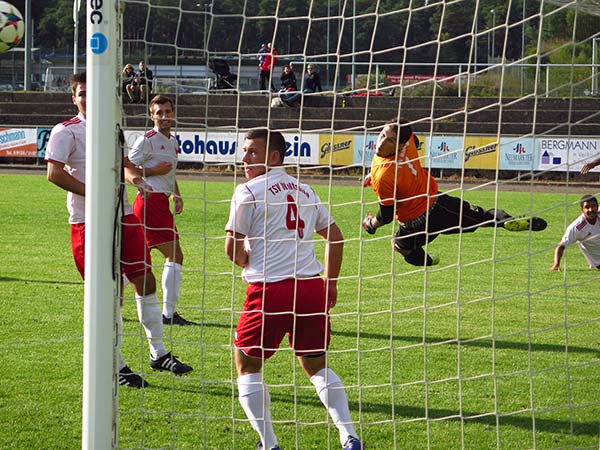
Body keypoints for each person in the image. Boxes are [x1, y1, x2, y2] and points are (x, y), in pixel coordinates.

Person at [46, 72, 193, 389]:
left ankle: (159, 353)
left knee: (146, 279)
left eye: (92, 92)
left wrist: (137, 179)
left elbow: (126, 163)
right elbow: (53, 173)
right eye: (82, 93)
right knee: (110, 296)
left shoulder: (114, 129)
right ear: (74, 98)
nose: (88, 97)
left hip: (125, 216)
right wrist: (96, 192)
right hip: (89, 222)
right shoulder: (66, 131)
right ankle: (117, 365)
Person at [225, 129, 362, 450]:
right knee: (316, 364)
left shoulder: (248, 190)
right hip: (311, 289)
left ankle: (269, 444)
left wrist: (246, 259)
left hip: (270, 290)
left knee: (247, 365)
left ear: (273, 157)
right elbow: (336, 236)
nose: (244, 158)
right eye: (244, 151)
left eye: (252, 152)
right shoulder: (305, 189)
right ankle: (349, 436)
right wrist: (330, 282)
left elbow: (232, 248)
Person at [362, 118, 548, 267]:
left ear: (400, 146)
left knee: (400, 246)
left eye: (390, 140)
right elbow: (411, 143)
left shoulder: (384, 176)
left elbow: (385, 216)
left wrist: (371, 224)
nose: (382, 142)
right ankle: (506, 222)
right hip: (439, 203)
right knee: (482, 217)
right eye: (383, 134)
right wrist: (375, 172)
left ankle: (429, 261)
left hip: (415, 222)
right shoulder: (408, 141)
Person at [127, 94, 194, 326]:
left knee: (136, 260)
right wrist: (152, 172)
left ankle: (106, 299)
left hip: (160, 201)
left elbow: (169, 172)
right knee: (175, 255)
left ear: (173, 113)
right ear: (151, 115)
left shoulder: (172, 141)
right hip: (150, 201)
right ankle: (168, 314)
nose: (164, 116)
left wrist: (176, 193)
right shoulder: (146, 140)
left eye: (167, 111)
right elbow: (127, 165)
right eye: (159, 113)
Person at [550, 195, 600, 271]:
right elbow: (561, 246)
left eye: (593, 206)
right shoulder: (577, 227)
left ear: (597, 207)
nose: (590, 210)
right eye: (587, 207)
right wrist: (556, 265)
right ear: (582, 210)